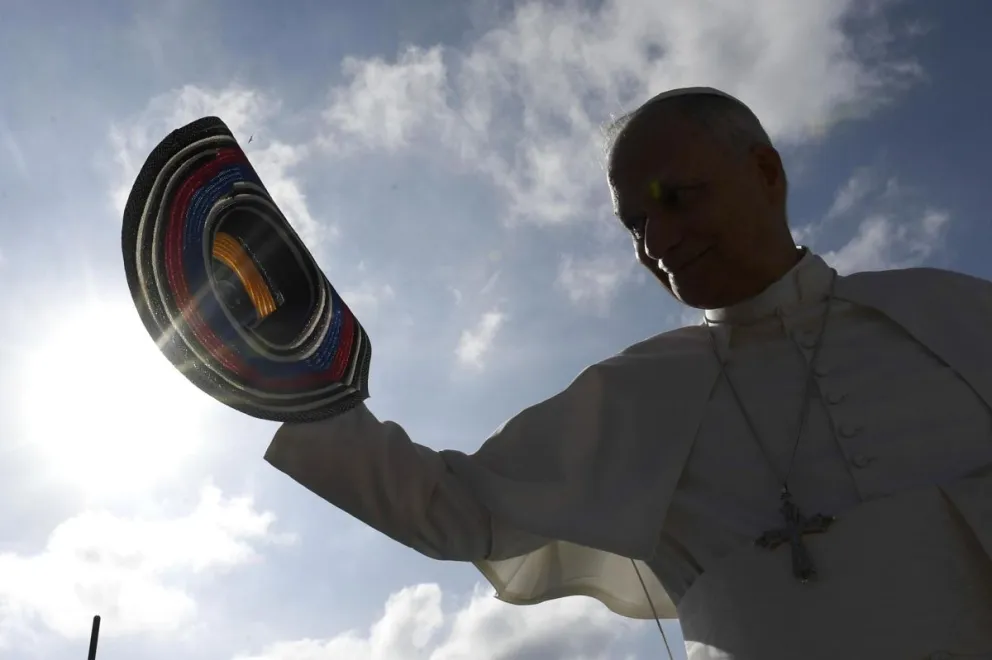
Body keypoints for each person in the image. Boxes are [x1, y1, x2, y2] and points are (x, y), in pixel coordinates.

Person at [264, 88, 992, 659]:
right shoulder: (638, 394)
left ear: (765, 173)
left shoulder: (953, 311)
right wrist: (286, 373)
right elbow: (454, 510)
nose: (658, 241)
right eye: (636, 225)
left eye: (676, 198)